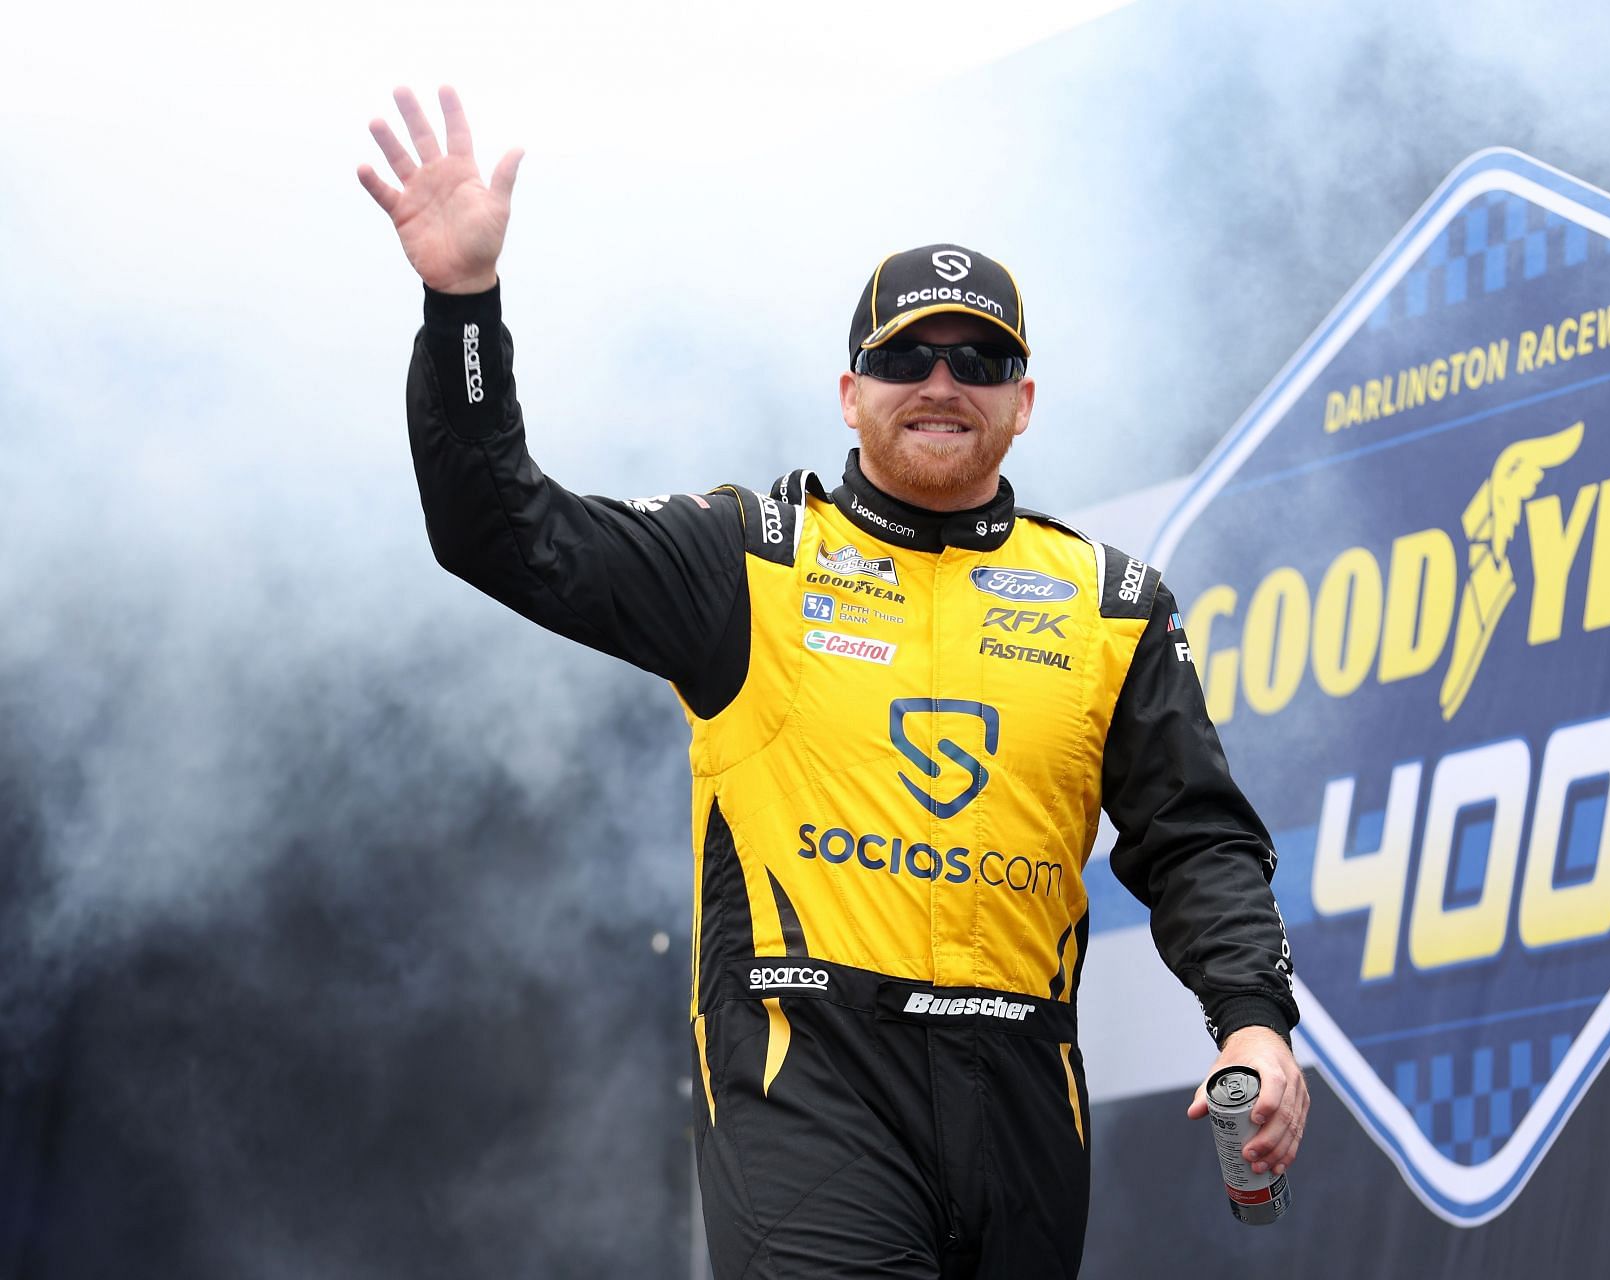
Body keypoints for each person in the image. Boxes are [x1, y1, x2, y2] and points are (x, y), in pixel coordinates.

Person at [359, 85, 1307, 1278]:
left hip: (1021, 1084)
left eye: (979, 357)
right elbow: (498, 527)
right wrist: (462, 308)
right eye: (904, 354)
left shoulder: (1112, 601)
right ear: (849, 392)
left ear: (1024, 400)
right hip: (807, 1070)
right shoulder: (746, 555)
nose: (941, 379)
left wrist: (1256, 1021)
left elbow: (1199, 840)